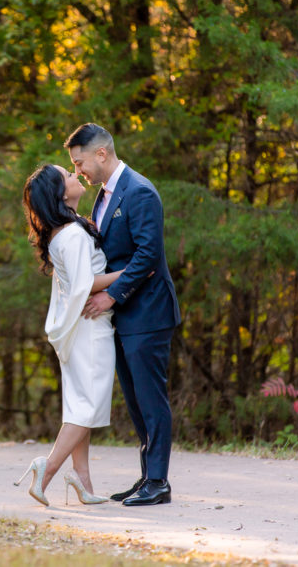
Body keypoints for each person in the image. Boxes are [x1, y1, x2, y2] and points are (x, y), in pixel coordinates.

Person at [65, 122, 181, 506]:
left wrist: (110, 296)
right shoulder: (103, 196)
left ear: (101, 153)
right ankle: (147, 476)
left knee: (151, 398)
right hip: (126, 317)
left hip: (147, 313)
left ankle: (159, 482)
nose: (78, 171)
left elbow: (147, 256)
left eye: (79, 162)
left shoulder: (140, 192)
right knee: (134, 400)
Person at [15, 164, 123, 506]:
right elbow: (85, 285)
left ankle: (83, 481)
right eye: (68, 176)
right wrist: (129, 272)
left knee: (80, 406)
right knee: (87, 407)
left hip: (80, 330)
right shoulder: (73, 235)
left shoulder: (64, 232)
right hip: (89, 330)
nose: (76, 176)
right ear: (61, 194)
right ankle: (46, 469)